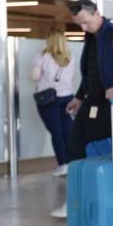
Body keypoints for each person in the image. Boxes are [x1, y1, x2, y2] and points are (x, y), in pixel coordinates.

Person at [51, 0, 113, 218]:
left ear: (97, 13)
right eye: (79, 24)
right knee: (75, 144)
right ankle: (75, 201)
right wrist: (79, 97)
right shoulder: (91, 37)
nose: (83, 28)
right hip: (93, 103)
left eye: (86, 22)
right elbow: (90, 74)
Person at [30, 30, 76, 176]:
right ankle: (71, 162)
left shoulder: (42, 56)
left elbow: (35, 76)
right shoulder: (70, 57)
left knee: (56, 132)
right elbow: (72, 76)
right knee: (67, 131)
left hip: (49, 99)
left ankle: (62, 165)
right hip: (68, 97)